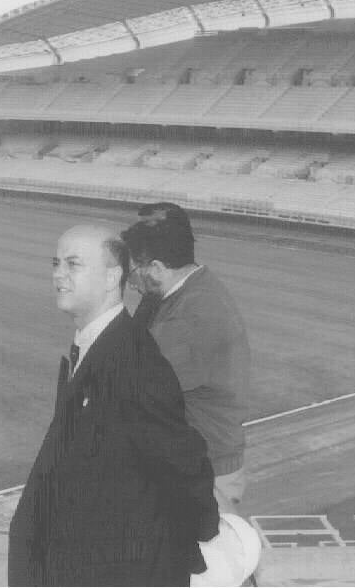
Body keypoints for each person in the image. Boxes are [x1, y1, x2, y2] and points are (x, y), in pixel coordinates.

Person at [8, 224, 219, 587]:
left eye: (73, 264)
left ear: (112, 277)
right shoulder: (99, 349)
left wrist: (188, 542)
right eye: (56, 263)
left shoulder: (135, 363)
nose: (59, 274)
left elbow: (184, 466)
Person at [121, 204, 252, 514]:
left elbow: (125, 382)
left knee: (200, 560)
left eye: (132, 272)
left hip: (203, 475)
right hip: (197, 465)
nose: (129, 283)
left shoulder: (190, 320)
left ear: (155, 268)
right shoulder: (185, 291)